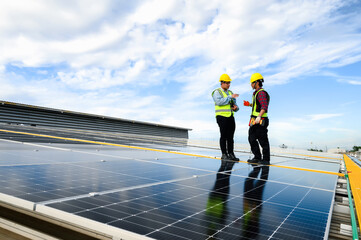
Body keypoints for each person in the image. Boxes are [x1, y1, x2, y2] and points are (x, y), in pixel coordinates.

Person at [243, 73, 270, 165]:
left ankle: (266, 160)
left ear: (256, 82)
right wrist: (249, 105)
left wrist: (259, 116)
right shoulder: (256, 93)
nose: (251, 85)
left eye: (252, 83)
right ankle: (257, 157)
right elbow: (257, 105)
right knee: (252, 138)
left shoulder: (261, 93)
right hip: (255, 120)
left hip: (260, 120)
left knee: (263, 140)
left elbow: (264, 106)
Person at [212, 73, 239, 161]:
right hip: (221, 117)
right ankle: (224, 154)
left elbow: (234, 104)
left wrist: (236, 108)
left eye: (229, 83)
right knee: (224, 136)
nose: (229, 84)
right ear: (222, 83)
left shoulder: (231, 92)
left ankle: (231, 154)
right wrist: (230, 97)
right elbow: (219, 102)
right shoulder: (217, 92)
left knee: (231, 136)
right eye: (227, 83)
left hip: (230, 116)